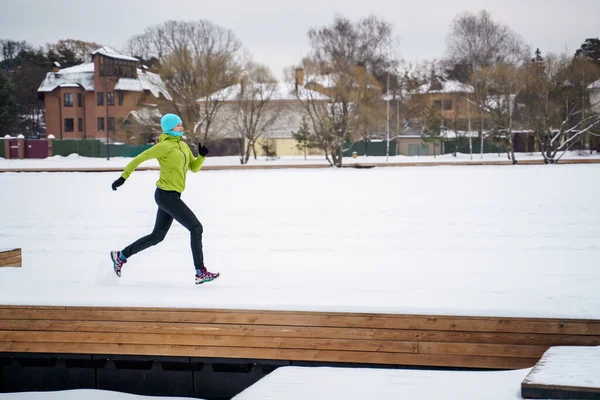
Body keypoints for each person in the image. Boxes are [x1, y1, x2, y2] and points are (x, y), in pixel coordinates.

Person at [110, 113, 219, 285]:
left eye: (181, 124)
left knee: (157, 236)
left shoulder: (183, 146)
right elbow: (140, 158)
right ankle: (200, 271)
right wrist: (123, 178)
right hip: (165, 196)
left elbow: (194, 168)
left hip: (173, 196)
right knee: (196, 227)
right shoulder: (164, 146)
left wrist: (202, 156)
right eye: (178, 125)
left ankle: (121, 256)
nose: (181, 127)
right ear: (169, 128)